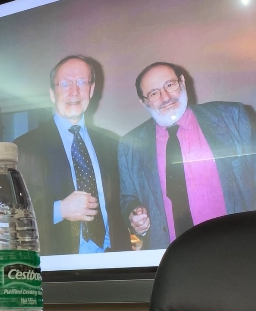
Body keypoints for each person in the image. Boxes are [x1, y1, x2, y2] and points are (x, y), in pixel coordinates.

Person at [118, 61, 256, 249]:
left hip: (235, 247)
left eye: (170, 85)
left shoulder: (231, 116)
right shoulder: (129, 145)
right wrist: (134, 216)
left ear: (182, 82)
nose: (166, 97)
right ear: (143, 102)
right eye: (154, 93)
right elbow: (128, 197)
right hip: (172, 256)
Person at [15, 55, 131, 255]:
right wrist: (60, 210)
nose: (74, 91)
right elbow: (11, 216)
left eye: (82, 82)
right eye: (65, 84)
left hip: (114, 259)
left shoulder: (112, 144)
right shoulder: (24, 147)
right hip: (60, 264)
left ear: (91, 90)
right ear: (52, 94)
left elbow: (123, 199)